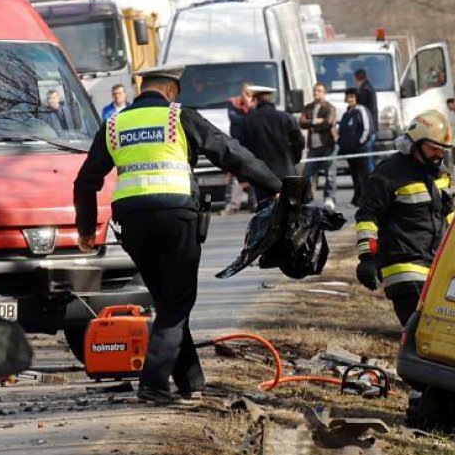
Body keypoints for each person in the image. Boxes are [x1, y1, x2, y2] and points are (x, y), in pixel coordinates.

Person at [73, 66, 282, 405]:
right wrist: (275, 186)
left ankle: (190, 381)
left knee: (168, 298)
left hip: (132, 223)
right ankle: (153, 383)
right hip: (175, 217)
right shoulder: (178, 115)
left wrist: (85, 230)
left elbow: (85, 181)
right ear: (171, 91)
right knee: (177, 301)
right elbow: (228, 152)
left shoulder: (114, 123)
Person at [353, 110, 455, 326]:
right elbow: (367, 217)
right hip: (404, 268)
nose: (439, 154)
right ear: (415, 144)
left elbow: (447, 213)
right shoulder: (388, 174)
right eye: (433, 148)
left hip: (437, 264)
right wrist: (367, 258)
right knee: (420, 330)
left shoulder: (439, 172)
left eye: (443, 150)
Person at [240, 85, 305, 205]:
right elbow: (299, 142)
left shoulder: (247, 121)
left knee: (266, 212)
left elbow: (243, 150)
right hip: (287, 172)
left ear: (255, 100)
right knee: (291, 210)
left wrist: (246, 175)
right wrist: (294, 159)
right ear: (271, 99)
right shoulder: (286, 118)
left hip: (261, 175)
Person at [299, 83, 337, 210]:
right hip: (313, 147)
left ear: (324, 93)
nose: (316, 93)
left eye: (319, 91)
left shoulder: (329, 108)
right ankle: (306, 198)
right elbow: (302, 123)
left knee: (330, 174)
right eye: (315, 91)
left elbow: (328, 123)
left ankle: (329, 198)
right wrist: (315, 121)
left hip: (328, 145)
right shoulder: (308, 107)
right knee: (306, 174)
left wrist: (314, 124)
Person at [223, 82, 255, 213]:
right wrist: (249, 112)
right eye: (245, 93)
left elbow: (256, 119)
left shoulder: (254, 104)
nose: (247, 96)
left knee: (254, 174)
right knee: (236, 175)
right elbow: (234, 118)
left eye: (249, 94)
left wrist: (249, 106)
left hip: (252, 144)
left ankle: (254, 203)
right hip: (237, 144)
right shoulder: (233, 102)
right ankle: (232, 205)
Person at [337, 88, 371, 205]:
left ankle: (366, 198)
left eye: (352, 97)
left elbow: (366, 128)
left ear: (357, 98)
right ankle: (357, 197)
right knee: (355, 175)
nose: (350, 99)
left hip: (360, 150)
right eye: (348, 97)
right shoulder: (346, 113)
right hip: (349, 151)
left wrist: (360, 142)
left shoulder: (361, 110)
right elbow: (341, 131)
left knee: (363, 175)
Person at [353, 68, 378, 172]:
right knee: (369, 158)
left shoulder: (364, 90)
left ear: (356, 78)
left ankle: (373, 181)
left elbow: (360, 106)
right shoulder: (368, 87)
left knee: (368, 159)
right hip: (372, 126)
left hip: (368, 127)